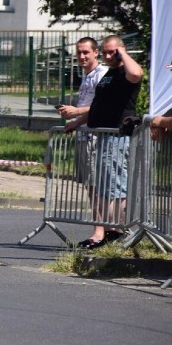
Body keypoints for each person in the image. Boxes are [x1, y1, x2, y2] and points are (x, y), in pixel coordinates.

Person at [66, 35, 143, 249]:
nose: (109, 56)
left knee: (116, 184)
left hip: (117, 136)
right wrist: (78, 122)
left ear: (121, 51)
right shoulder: (109, 74)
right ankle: (110, 231)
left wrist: (123, 54)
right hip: (103, 135)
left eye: (113, 52)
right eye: (106, 52)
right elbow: (98, 106)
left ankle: (121, 231)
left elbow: (137, 73)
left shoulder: (126, 72)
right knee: (105, 186)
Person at [61, 37, 108, 235]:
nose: (82, 56)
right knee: (90, 185)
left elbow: (103, 106)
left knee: (97, 185)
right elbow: (91, 111)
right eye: (79, 52)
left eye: (86, 52)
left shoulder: (101, 74)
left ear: (96, 52)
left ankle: (101, 231)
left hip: (95, 138)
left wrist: (77, 111)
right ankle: (99, 229)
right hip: (84, 135)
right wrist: (75, 123)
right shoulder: (86, 75)